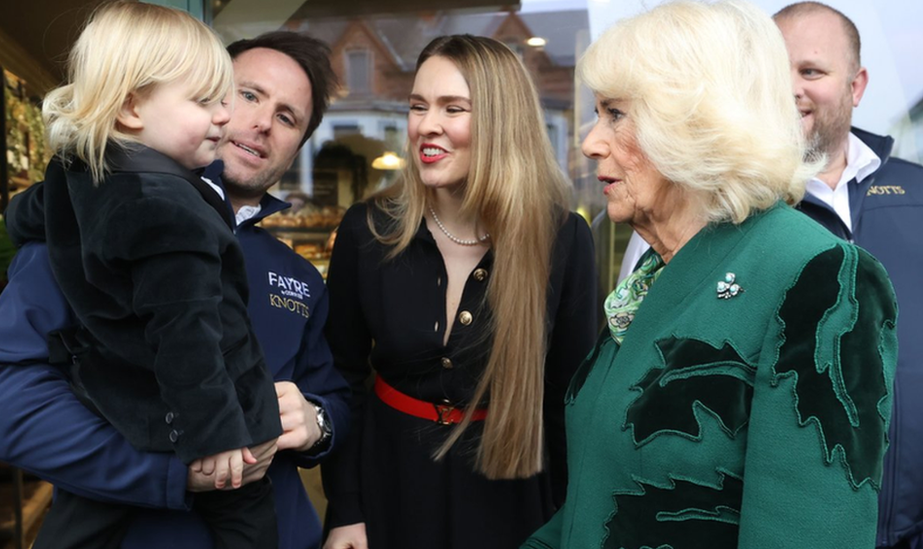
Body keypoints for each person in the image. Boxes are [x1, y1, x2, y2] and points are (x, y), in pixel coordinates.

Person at [523, 2, 898, 548]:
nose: (590, 142)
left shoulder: (819, 276)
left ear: (695, 123)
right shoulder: (656, 269)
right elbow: (597, 498)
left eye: (616, 114)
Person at [0, 25, 349, 549]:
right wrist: (173, 472)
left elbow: (338, 395)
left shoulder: (300, 276)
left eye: (287, 118)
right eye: (247, 94)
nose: (260, 123)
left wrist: (318, 421)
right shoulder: (87, 231)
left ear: (298, 144)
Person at [321, 34, 598, 549]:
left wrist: (567, 523)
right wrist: (346, 510)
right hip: (388, 489)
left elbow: (569, 402)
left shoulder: (562, 238)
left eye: (453, 108)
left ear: (499, 121)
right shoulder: (368, 229)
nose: (427, 125)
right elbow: (342, 379)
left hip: (512, 495)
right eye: (418, 106)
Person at [772, 5, 923, 547]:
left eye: (810, 72)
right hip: (798, 529)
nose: (789, 89)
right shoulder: (732, 209)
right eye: (774, 72)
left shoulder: (918, 194)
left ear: (857, 86)